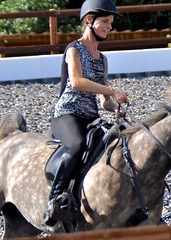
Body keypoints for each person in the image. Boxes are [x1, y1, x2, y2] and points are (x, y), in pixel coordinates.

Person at [45, 0, 129, 226]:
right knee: (77, 145)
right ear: (89, 21)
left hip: (91, 116)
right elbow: (77, 82)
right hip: (67, 114)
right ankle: (54, 201)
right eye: (105, 22)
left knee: (114, 146)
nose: (109, 27)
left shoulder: (102, 59)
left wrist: (116, 108)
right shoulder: (74, 49)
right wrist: (112, 90)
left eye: (110, 23)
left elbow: (104, 102)